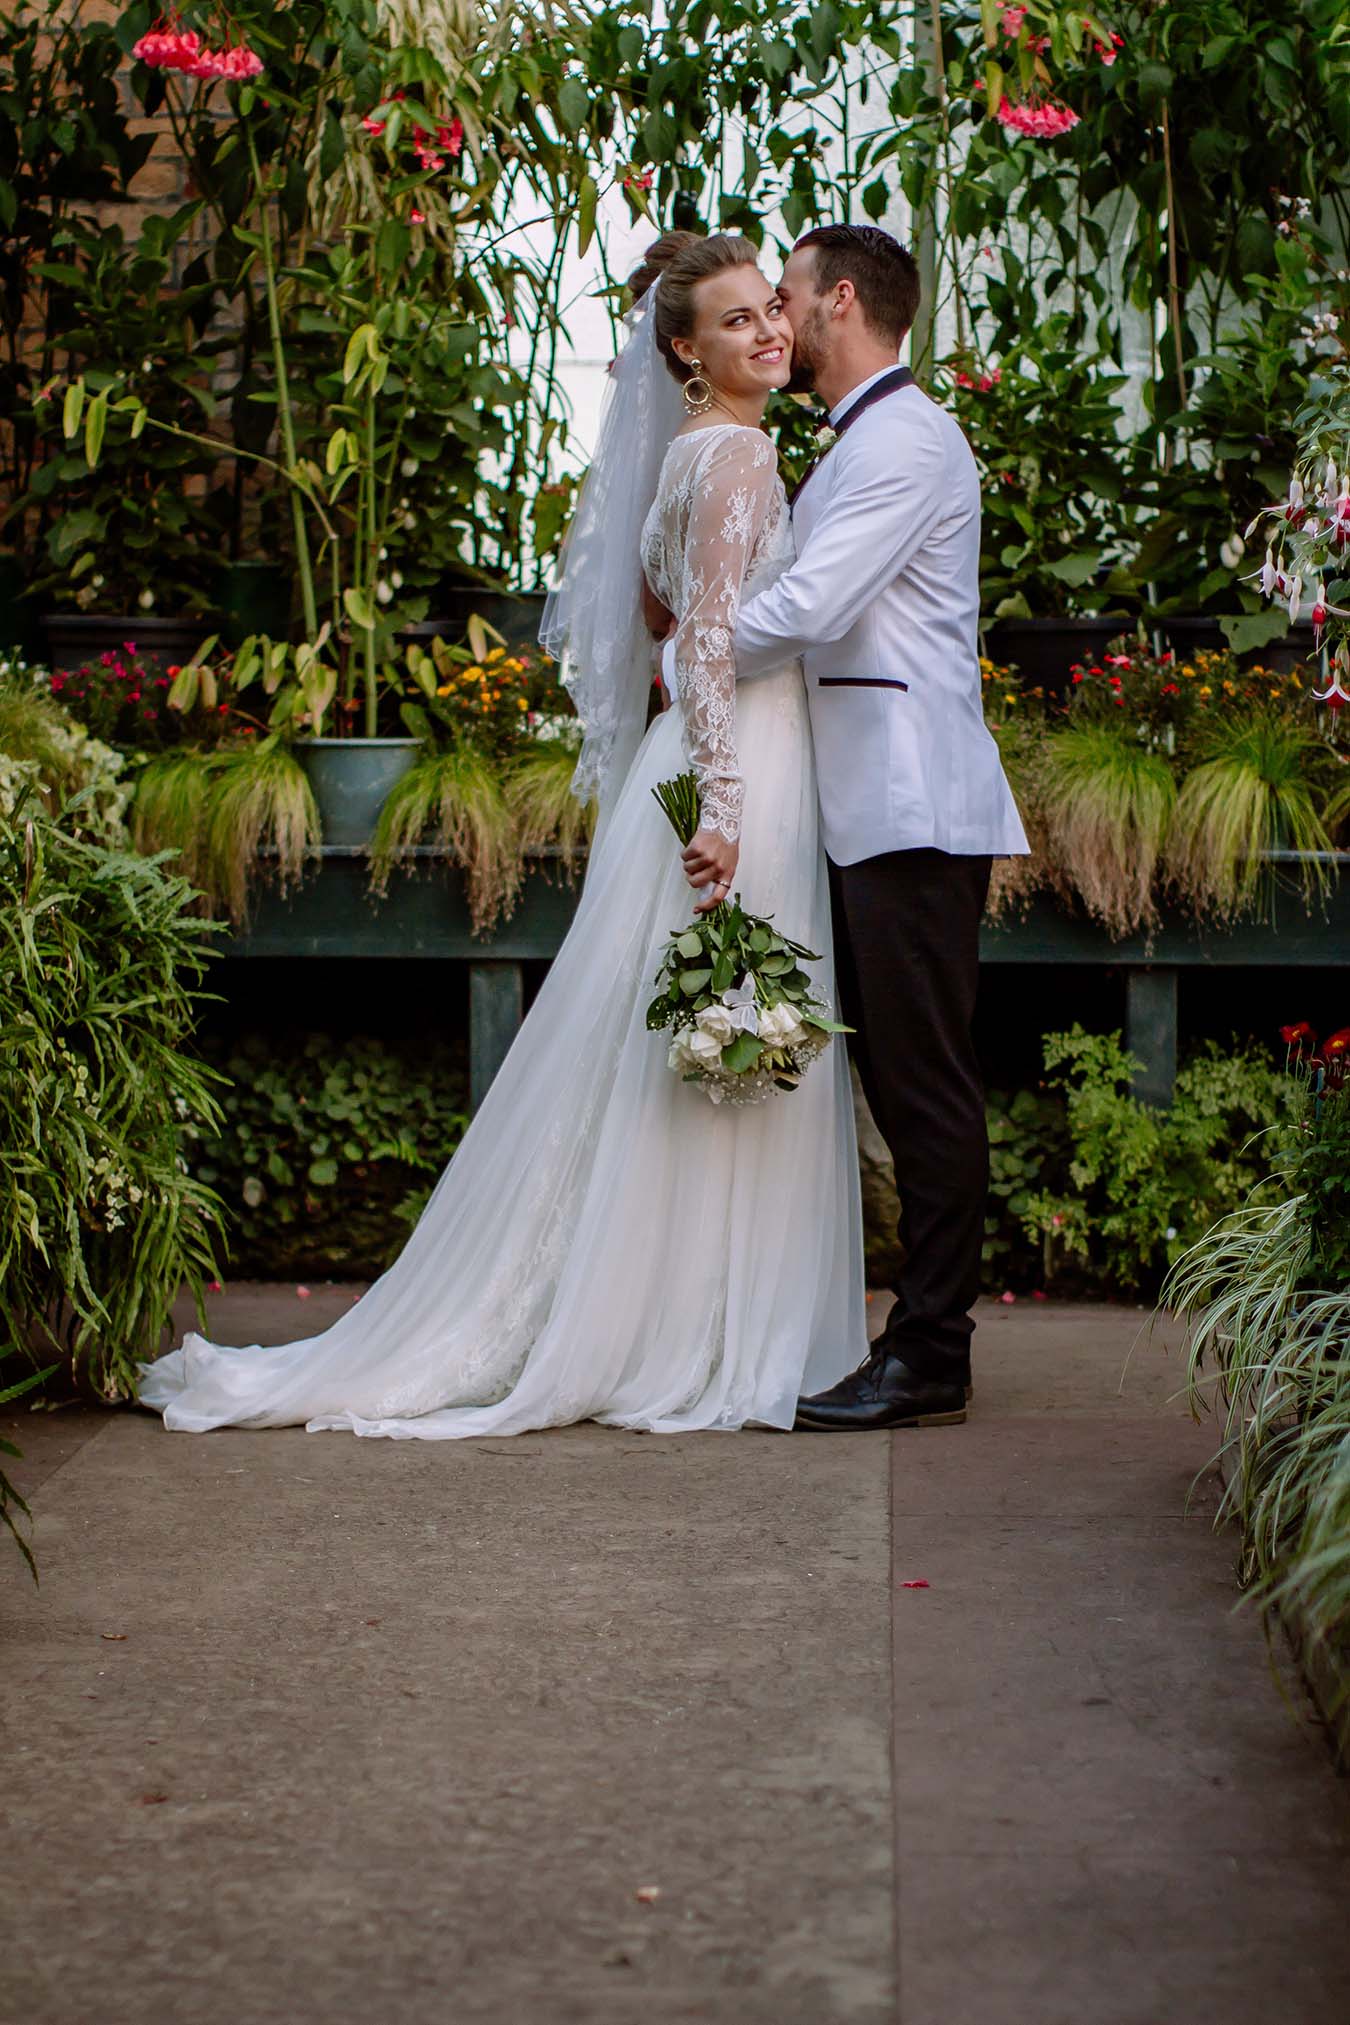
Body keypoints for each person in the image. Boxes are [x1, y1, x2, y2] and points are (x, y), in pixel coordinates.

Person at [136, 231, 869, 1439]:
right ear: (686, 350)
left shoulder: (685, 454)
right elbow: (703, 646)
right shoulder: (737, 456)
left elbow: (656, 610)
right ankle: (702, 1329)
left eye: (769, 313)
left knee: (667, 1047)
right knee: (717, 1043)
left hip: (680, 770)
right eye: (737, 322)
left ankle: (655, 1308)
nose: (769, 333)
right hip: (738, 774)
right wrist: (729, 818)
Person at [728, 225, 1028, 1430]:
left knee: (925, 1091)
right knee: (904, 1086)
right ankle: (917, 1342)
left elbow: (813, 601)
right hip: (870, 806)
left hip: (909, 807)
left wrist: (691, 653)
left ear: (840, 299)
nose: (780, 321)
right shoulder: (863, 437)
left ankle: (931, 1355)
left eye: (790, 297)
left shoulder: (907, 439)